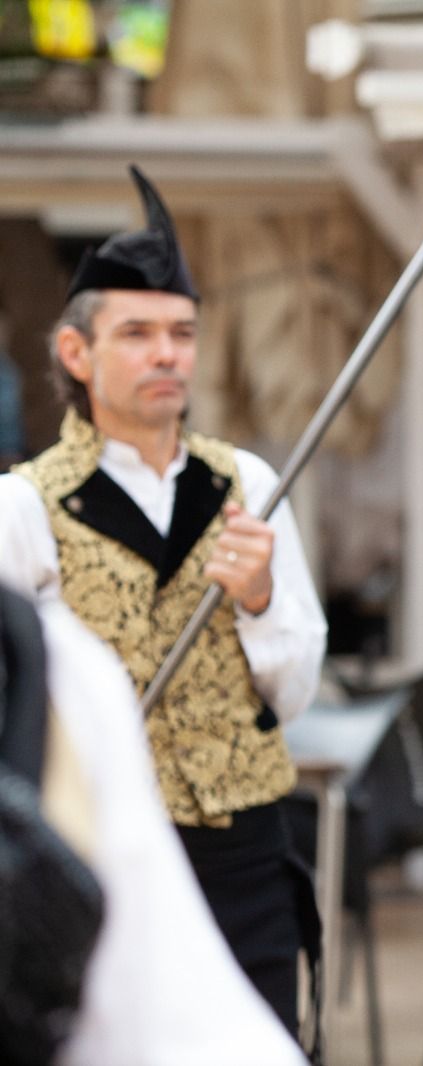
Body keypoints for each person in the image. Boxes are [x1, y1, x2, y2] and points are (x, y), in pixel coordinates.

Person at [0, 166, 326, 1036]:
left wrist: (258, 599)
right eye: (137, 332)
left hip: (248, 850)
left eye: (181, 332)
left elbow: (294, 692)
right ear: (76, 352)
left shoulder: (248, 483)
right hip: (106, 845)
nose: (166, 354)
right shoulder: (24, 507)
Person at [1, 586, 307, 1065]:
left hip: (231, 845)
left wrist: (261, 605)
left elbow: (157, 1006)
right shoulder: (29, 515)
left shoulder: (45, 666)